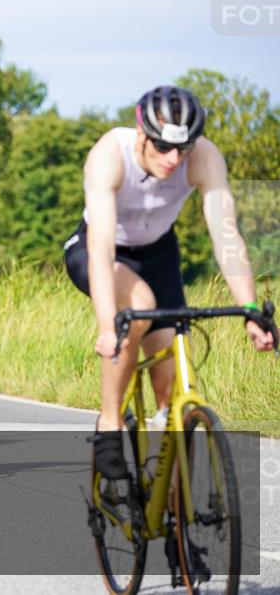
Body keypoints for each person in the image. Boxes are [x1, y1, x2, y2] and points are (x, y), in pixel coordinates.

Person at [64, 85, 275, 480]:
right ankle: (109, 422)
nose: (174, 160)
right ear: (141, 134)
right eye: (163, 147)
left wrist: (250, 310)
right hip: (98, 250)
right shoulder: (110, 154)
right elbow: (102, 246)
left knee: (172, 388)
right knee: (139, 306)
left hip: (158, 254)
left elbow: (226, 236)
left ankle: (176, 505)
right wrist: (108, 325)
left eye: (183, 149)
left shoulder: (204, 156)